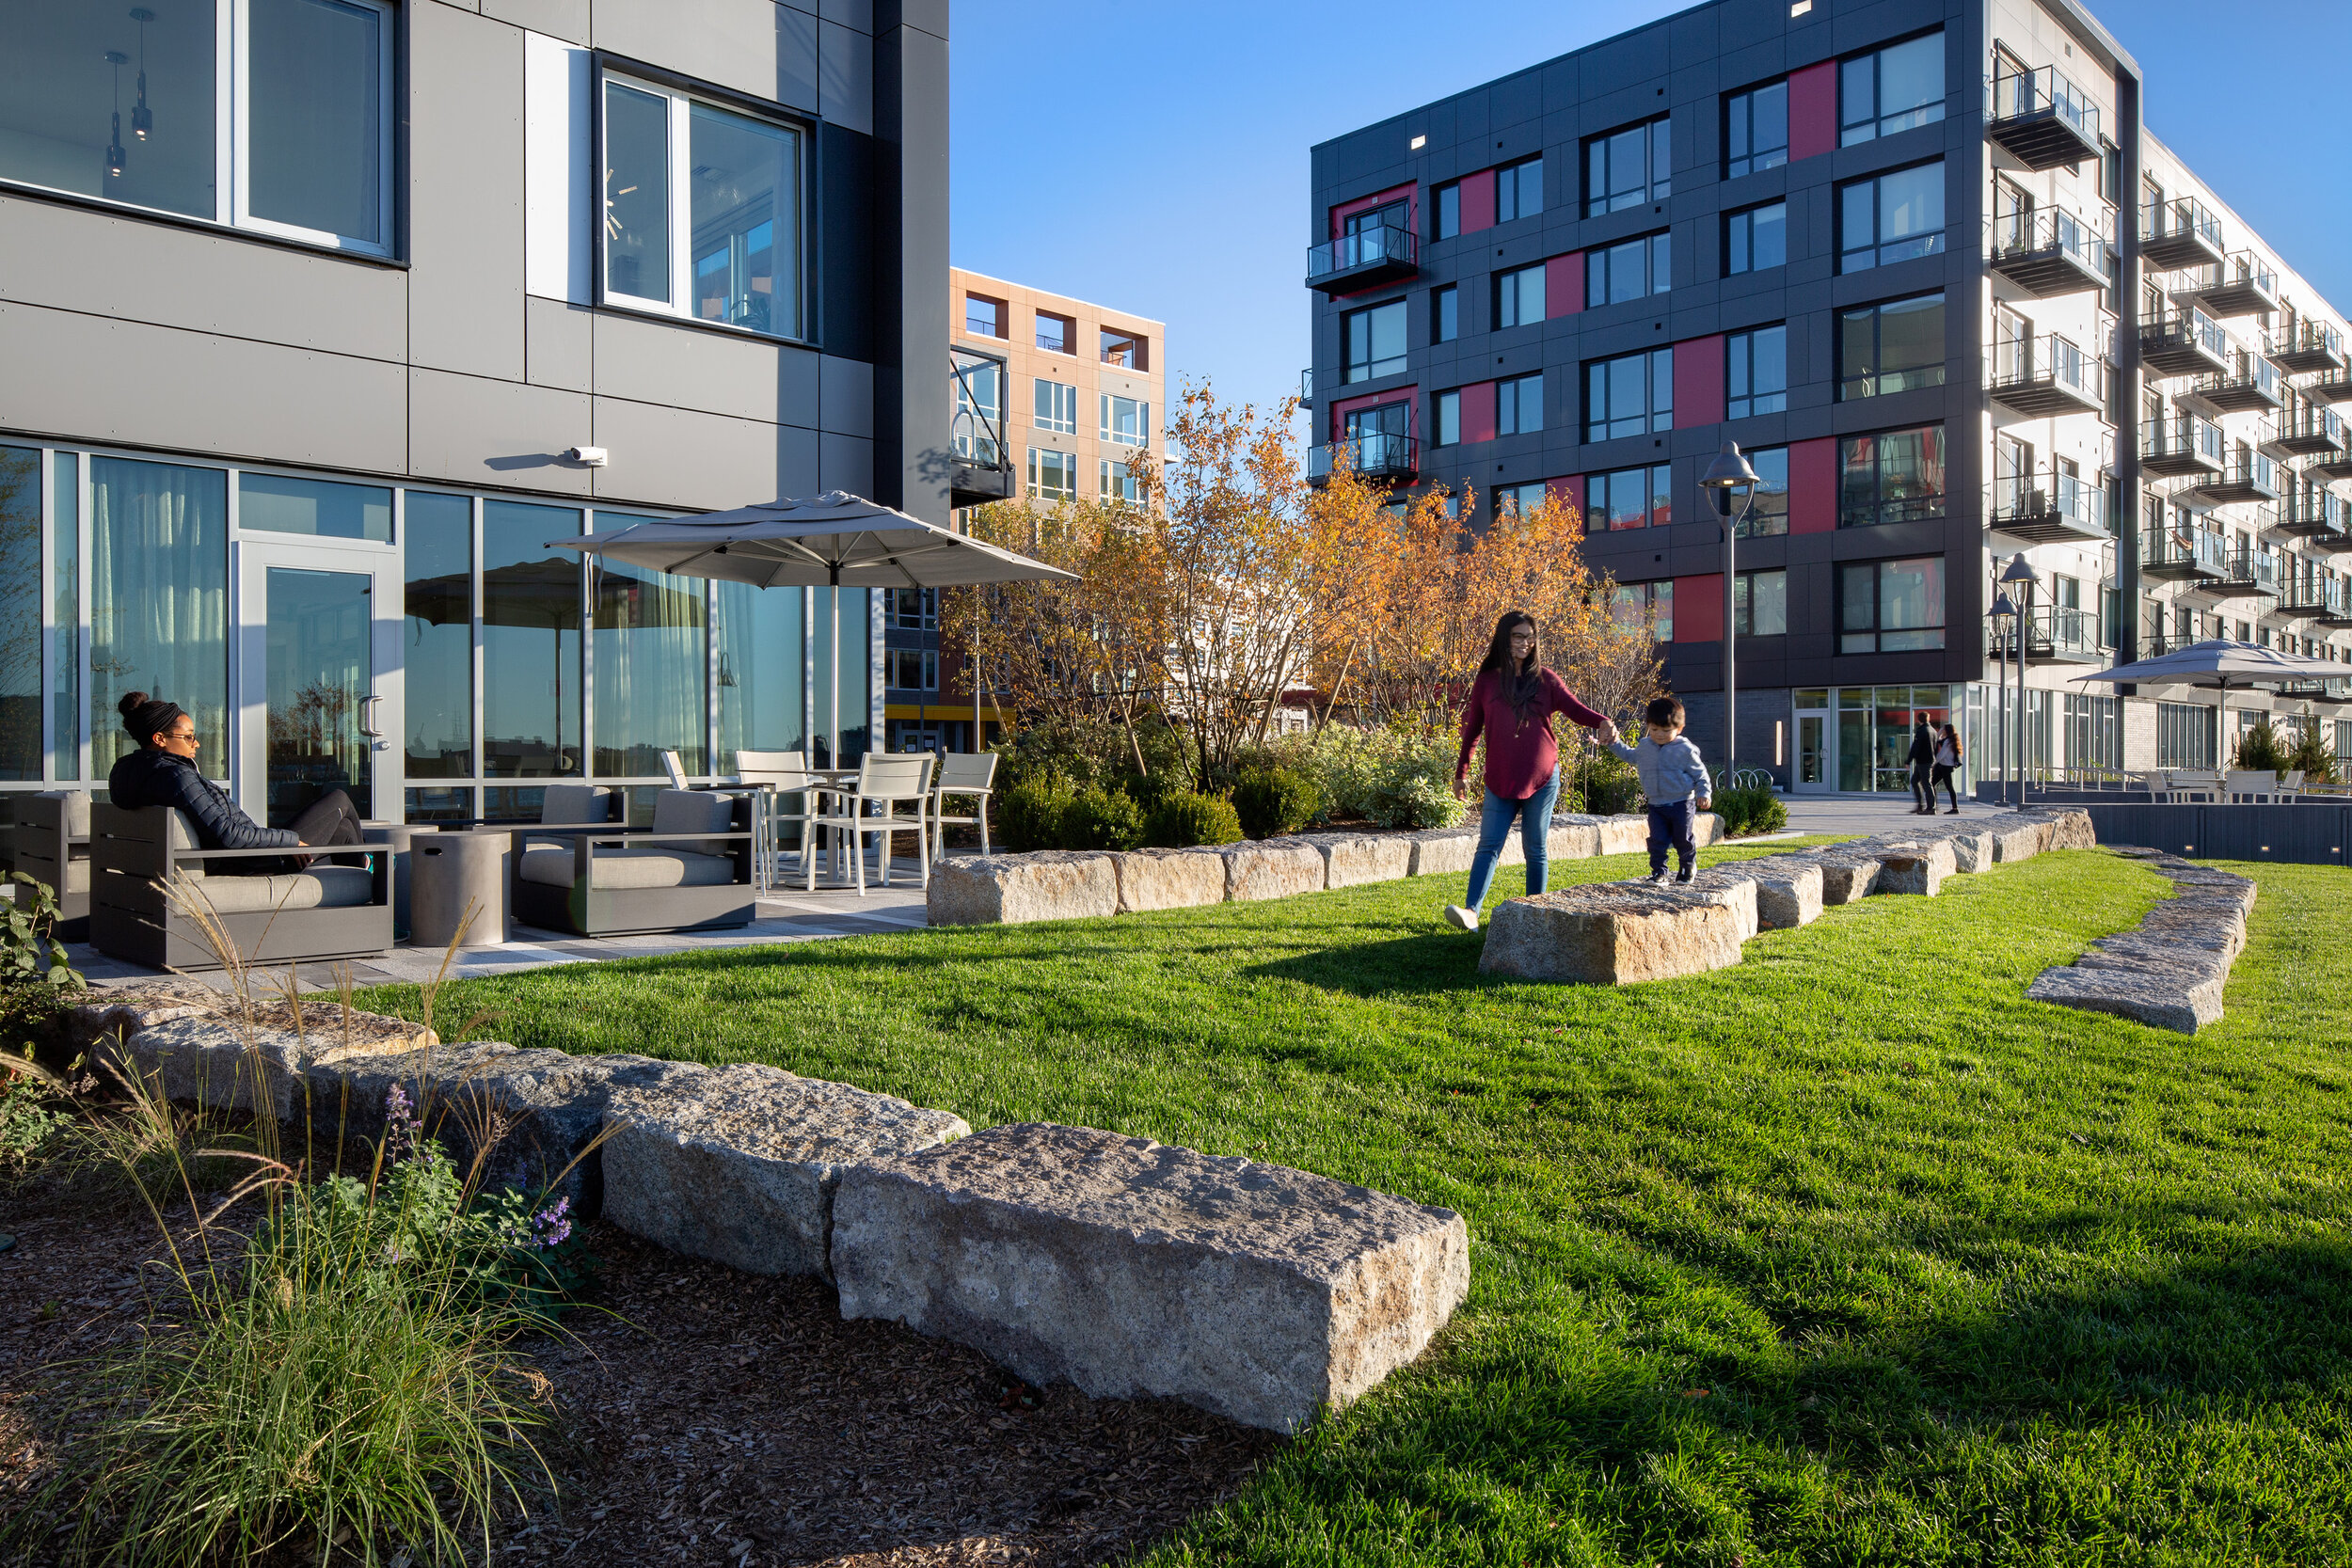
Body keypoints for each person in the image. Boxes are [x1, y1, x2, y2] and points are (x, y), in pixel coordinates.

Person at [1444, 611, 1611, 931]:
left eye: (1530, 637)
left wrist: (1601, 720)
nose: (1524, 643)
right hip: (1499, 777)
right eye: (1518, 637)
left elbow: (1575, 709)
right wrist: (1461, 771)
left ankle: (1536, 915)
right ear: (1504, 639)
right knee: (1489, 845)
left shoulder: (1546, 679)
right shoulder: (1487, 680)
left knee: (1535, 848)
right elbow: (1472, 730)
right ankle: (1471, 912)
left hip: (1543, 777)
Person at [107, 691, 365, 867]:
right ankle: (378, 892)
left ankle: (366, 886)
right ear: (160, 739)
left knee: (343, 832)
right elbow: (229, 835)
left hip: (239, 856)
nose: (196, 743)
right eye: (188, 737)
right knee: (339, 799)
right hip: (247, 860)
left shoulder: (134, 772)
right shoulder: (175, 776)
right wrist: (290, 840)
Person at [1607, 696, 1712, 884]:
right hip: (1656, 804)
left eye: (1666, 730)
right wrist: (1613, 743)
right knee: (1657, 841)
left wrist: (1704, 793)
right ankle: (1659, 873)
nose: (1660, 734)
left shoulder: (1685, 750)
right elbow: (1629, 755)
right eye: (1654, 729)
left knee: (1683, 839)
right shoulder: (1645, 746)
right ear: (1648, 726)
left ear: (1679, 729)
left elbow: (1700, 774)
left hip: (1682, 803)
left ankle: (1687, 866)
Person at [1931, 721, 1964, 814]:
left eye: (1944, 730)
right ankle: (1934, 805)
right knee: (1933, 783)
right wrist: (1941, 731)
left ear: (1947, 731)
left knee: (1949, 787)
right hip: (1944, 766)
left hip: (1946, 767)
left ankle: (1955, 808)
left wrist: (1933, 763)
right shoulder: (1950, 740)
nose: (1942, 731)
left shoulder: (1948, 741)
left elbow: (1941, 755)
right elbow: (1937, 740)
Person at [1907, 719, 1936, 815]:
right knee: (1914, 781)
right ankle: (1920, 805)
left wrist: (1908, 761)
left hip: (1924, 761)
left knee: (1927, 783)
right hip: (1925, 761)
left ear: (1919, 720)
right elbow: (1935, 747)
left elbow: (1915, 747)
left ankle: (1931, 807)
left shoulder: (1922, 731)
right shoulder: (1933, 730)